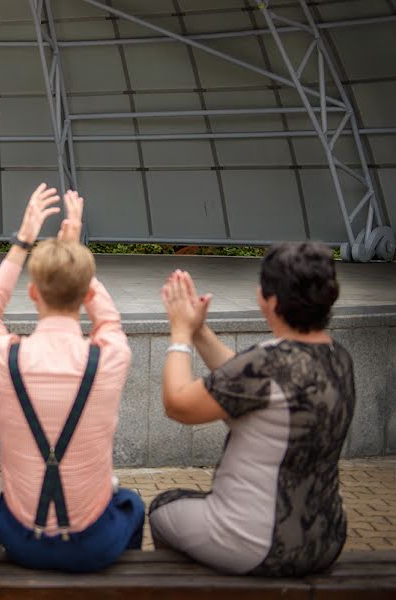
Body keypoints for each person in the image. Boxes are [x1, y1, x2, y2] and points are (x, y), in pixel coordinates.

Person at [151, 242, 355, 576]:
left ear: (270, 301)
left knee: (163, 508)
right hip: (326, 537)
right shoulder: (338, 357)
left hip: (262, 545)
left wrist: (180, 333)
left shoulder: (268, 365)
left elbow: (178, 404)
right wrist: (200, 330)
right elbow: (243, 381)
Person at [0, 184, 142, 573]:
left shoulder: (4, 356)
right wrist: (76, 257)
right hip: (92, 545)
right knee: (132, 503)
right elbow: (109, 321)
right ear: (85, 294)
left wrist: (22, 241)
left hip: (21, 541)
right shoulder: (110, 357)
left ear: (32, 293)